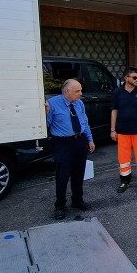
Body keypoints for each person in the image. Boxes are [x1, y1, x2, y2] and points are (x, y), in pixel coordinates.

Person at [45, 79, 95, 220]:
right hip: (62, 143)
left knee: (79, 173)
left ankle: (77, 201)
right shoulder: (53, 104)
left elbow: (85, 123)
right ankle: (60, 206)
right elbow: (46, 125)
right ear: (67, 92)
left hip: (79, 141)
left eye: (80, 90)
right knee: (62, 175)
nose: (81, 93)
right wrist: (46, 113)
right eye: (77, 91)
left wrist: (90, 139)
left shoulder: (79, 104)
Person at [111, 67, 137, 193]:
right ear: (126, 78)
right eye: (134, 77)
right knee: (123, 158)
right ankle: (125, 180)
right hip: (122, 131)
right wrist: (113, 130)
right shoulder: (117, 93)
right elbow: (114, 111)